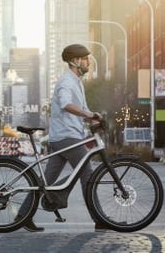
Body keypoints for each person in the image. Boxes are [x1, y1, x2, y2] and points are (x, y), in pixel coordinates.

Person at [16, 44, 103, 232]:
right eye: (86, 58)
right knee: (88, 177)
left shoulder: (77, 82)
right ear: (76, 61)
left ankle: (22, 217)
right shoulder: (66, 82)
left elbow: (81, 110)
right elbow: (66, 104)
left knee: (44, 182)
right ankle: (100, 219)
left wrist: (92, 118)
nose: (89, 62)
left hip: (64, 136)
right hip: (67, 137)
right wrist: (89, 115)